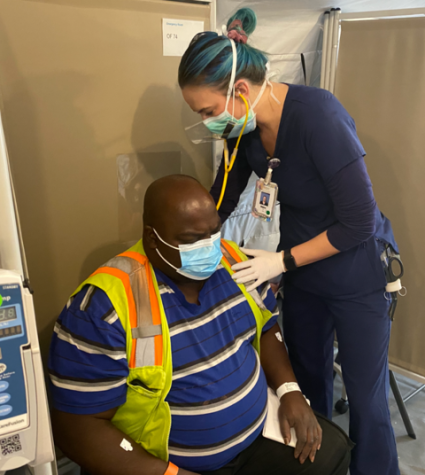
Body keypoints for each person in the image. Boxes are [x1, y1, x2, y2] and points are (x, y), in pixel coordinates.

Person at [178, 8, 400, 475]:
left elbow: (358, 221)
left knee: (365, 398)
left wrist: (280, 261)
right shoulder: (244, 133)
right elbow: (220, 201)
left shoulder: (318, 115)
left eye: (208, 112)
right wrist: (182, 245)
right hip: (303, 275)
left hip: (357, 272)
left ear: (239, 91)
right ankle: (321, 466)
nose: (206, 123)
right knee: (306, 382)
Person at [48, 175, 352, 475]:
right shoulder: (105, 307)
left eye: (213, 232)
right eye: (192, 239)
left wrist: (289, 390)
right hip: (167, 464)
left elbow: (266, 326)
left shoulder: (234, 262)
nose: (209, 248)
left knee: (332, 453)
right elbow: (77, 426)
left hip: (261, 433)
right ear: (153, 238)